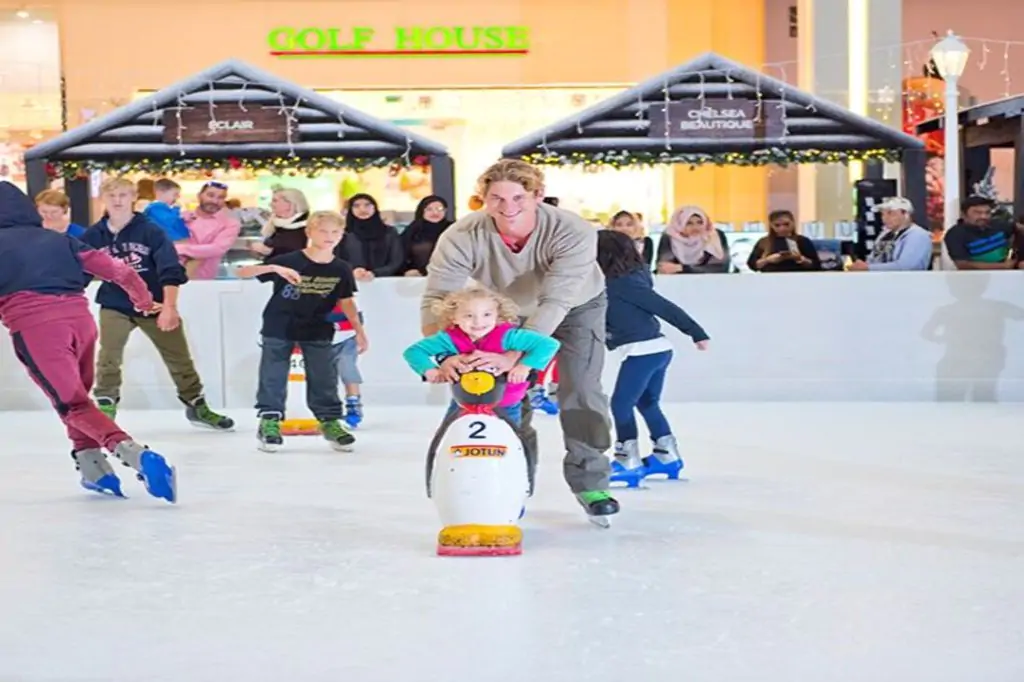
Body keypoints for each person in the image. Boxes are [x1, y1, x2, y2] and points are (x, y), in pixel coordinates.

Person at [421, 158, 618, 522]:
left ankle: (590, 480)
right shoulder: (462, 236)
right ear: (483, 199)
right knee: (505, 394)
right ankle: (513, 479)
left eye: (518, 197)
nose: (507, 207)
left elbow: (556, 300)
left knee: (581, 388)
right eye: (496, 198)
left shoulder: (572, 230)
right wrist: (444, 354)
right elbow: (437, 298)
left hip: (577, 307)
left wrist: (517, 354)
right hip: (508, 312)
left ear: (538, 195)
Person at [0, 182, 176, 502]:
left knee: (72, 404)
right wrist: (142, 300)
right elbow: (119, 271)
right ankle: (94, 469)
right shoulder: (62, 240)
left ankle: (135, 454)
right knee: (78, 401)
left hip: (37, 330)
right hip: (81, 323)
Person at [80, 177, 234, 430]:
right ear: (103, 199)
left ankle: (197, 405)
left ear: (133, 198)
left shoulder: (151, 231)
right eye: (112, 196)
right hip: (115, 303)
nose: (117, 201)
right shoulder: (94, 235)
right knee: (108, 355)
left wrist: (170, 307)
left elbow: (170, 269)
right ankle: (106, 406)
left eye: (123, 195)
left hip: (155, 304)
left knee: (179, 357)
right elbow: (80, 273)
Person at [236, 210, 366, 452]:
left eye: (335, 232)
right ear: (309, 232)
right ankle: (270, 420)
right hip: (279, 325)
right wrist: (273, 268)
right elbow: (242, 272)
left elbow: (346, 299)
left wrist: (359, 330)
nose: (329, 236)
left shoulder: (341, 268)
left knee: (324, 376)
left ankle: (329, 421)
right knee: (273, 374)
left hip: (318, 329)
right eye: (323, 231)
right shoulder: (289, 260)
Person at [597, 230, 709, 485]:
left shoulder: (623, 282)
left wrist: (695, 332)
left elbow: (662, 307)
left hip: (644, 351)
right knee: (647, 403)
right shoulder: (624, 278)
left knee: (621, 405)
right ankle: (667, 456)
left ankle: (628, 460)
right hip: (655, 349)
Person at [403, 285, 560, 427]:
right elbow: (414, 352)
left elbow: (548, 344)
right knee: (450, 438)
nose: (478, 322)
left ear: (498, 316)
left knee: (511, 443)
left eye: (486, 314)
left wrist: (524, 366)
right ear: (454, 318)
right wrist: (430, 370)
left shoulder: (508, 336)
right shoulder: (448, 338)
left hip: (507, 401)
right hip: (464, 401)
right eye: (468, 316)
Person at [177, 180, 242, 280]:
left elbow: (217, 249)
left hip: (204, 282)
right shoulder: (181, 217)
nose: (215, 201)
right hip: (169, 278)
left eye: (221, 197)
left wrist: (178, 249)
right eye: (210, 195)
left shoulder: (230, 224)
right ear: (199, 196)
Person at [849, 197, 933, 271]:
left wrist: (869, 268)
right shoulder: (884, 235)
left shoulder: (918, 235)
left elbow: (907, 266)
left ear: (906, 214)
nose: (884, 218)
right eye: (882, 214)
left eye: (890, 213)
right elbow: (874, 258)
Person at [943, 196, 1016, 270]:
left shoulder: (998, 224)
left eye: (987, 212)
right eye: (977, 213)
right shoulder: (955, 235)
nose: (983, 216)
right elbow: (963, 264)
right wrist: (1003, 266)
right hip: (976, 278)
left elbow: (1017, 228)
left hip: (1009, 275)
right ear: (963, 215)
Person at [143, 178, 197, 277]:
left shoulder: (165, 209)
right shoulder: (154, 209)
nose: (177, 198)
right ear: (161, 192)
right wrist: (179, 213)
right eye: (174, 194)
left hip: (178, 243)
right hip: (171, 243)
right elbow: (168, 220)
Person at [344, 193, 405, 279]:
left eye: (367, 205)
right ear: (350, 210)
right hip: (352, 281)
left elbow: (396, 260)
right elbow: (338, 259)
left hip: (385, 281)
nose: (362, 209)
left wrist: (375, 273)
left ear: (374, 208)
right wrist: (353, 271)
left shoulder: (389, 232)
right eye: (356, 206)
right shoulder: (344, 234)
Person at [657, 206, 731, 274]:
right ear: (679, 224)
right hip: (677, 284)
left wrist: (682, 268)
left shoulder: (714, 237)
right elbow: (664, 268)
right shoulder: (670, 237)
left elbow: (720, 268)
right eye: (689, 223)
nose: (695, 227)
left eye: (700, 222)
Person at [746, 210, 822, 273]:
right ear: (771, 226)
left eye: (786, 224)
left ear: (793, 223)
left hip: (798, 279)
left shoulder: (802, 241)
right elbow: (753, 265)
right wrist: (768, 260)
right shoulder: (764, 242)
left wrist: (800, 259)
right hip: (770, 280)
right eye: (777, 225)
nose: (782, 228)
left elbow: (816, 266)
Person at [402, 195, 452, 276]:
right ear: (422, 211)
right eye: (429, 209)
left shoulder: (453, 229)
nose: (435, 213)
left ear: (445, 210)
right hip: (417, 276)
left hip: (448, 275)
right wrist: (407, 270)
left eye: (439, 209)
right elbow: (400, 254)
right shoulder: (413, 230)